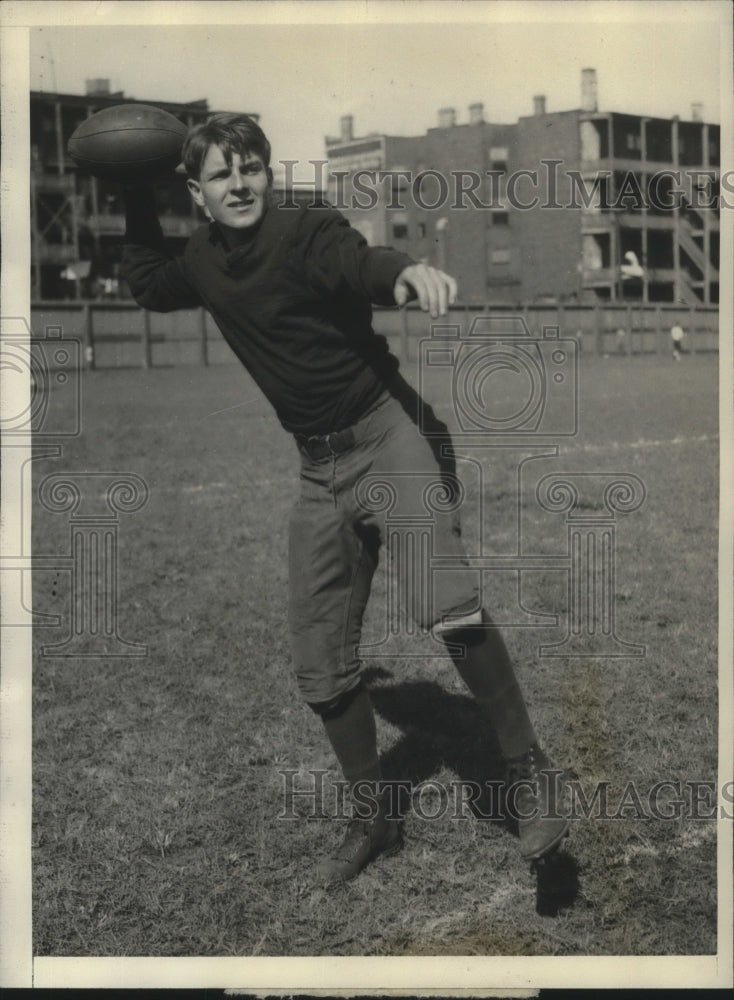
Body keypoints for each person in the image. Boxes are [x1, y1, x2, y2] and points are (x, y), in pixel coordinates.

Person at [120, 113, 569, 885]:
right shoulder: (198, 257)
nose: (241, 184)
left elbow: (360, 262)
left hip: (387, 434)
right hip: (317, 470)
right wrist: (131, 188)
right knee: (320, 663)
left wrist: (403, 277)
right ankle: (375, 819)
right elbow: (146, 282)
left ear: (269, 169)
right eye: (222, 175)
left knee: (445, 603)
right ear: (195, 193)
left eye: (251, 166)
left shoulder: (303, 229)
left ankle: (528, 771)